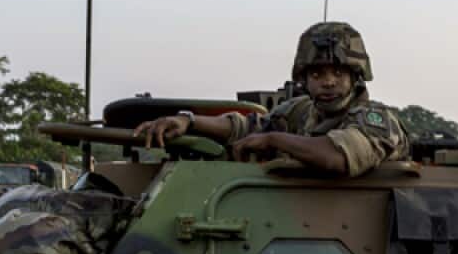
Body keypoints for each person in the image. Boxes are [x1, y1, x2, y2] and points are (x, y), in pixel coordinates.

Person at [133, 21, 410, 176]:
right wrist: (188, 121)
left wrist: (273, 140)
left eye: (338, 73)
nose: (328, 82)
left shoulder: (376, 120)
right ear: (304, 78)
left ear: (355, 77)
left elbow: (337, 156)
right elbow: (248, 127)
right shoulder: (303, 111)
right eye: (316, 74)